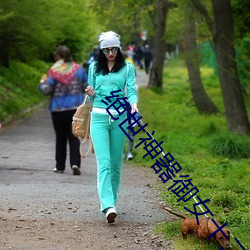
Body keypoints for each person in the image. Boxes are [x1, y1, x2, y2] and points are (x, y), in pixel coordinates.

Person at [85, 31, 138, 223]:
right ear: (101, 50)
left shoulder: (127, 68)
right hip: (98, 118)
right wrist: (90, 92)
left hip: (120, 119)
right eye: (106, 50)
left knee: (116, 164)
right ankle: (107, 205)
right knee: (104, 163)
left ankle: (112, 201)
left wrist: (133, 103)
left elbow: (131, 90)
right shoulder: (93, 68)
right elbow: (91, 96)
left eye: (114, 49)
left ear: (119, 48)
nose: (110, 53)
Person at [39, 45, 88, 175]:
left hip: (58, 109)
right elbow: (86, 87)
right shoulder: (79, 70)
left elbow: (47, 90)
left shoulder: (54, 71)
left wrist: (42, 83)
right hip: (75, 109)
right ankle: (75, 163)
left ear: (58, 57)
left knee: (60, 138)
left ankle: (60, 166)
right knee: (73, 137)